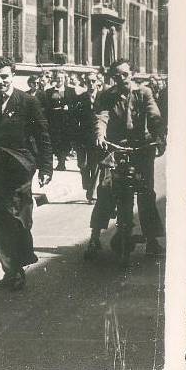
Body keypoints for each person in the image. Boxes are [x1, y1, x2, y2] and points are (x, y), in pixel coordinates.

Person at [0, 56, 53, 291]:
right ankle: (10, 268)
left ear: (13, 76)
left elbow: (43, 135)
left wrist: (46, 167)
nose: (1, 82)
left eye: (5, 77)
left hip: (20, 167)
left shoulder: (27, 101)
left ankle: (18, 263)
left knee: (18, 216)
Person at [85, 61, 166, 259]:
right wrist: (100, 135)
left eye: (124, 74)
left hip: (141, 149)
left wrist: (159, 136)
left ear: (133, 74)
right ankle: (94, 238)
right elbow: (101, 117)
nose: (121, 79)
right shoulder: (107, 96)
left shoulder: (144, 93)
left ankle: (152, 240)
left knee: (146, 192)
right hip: (116, 149)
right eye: (116, 76)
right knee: (105, 190)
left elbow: (154, 114)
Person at [73, 73, 105, 203]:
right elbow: (74, 117)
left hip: (97, 135)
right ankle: (87, 185)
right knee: (83, 165)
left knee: (94, 164)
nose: (91, 84)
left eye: (93, 81)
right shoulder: (80, 98)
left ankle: (92, 192)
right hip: (82, 135)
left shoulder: (103, 97)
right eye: (88, 81)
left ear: (98, 82)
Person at [44, 69, 79, 171]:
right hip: (54, 122)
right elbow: (47, 106)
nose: (60, 80)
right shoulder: (50, 91)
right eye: (58, 78)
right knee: (55, 141)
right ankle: (60, 160)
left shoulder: (70, 91)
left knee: (65, 141)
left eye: (62, 78)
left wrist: (69, 107)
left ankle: (62, 162)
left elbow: (76, 105)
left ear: (65, 79)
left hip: (66, 122)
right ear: (55, 79)